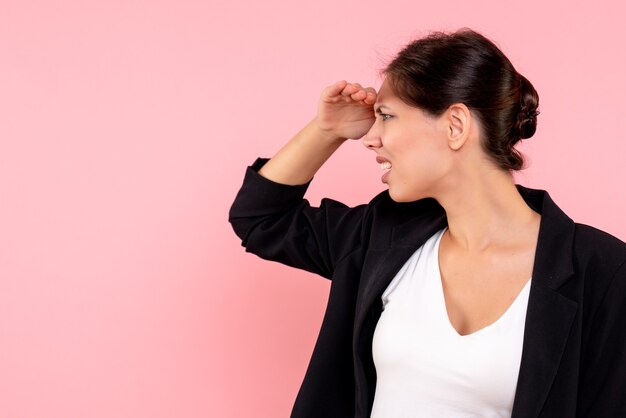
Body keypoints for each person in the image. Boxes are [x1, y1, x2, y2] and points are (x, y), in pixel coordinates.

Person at [228, 28, 626, 417]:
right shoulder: (382, 235)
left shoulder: (603, 271)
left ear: (455, 125)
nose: (370, 137)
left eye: (386, 116)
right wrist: (327, 130)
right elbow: (261, 218)